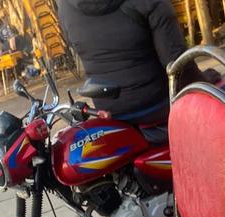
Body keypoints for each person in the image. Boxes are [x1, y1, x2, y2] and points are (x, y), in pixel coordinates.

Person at [57, 0, 202, 125]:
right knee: (223, 90)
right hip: (158, 105)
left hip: (107, 112)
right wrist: (205, 85)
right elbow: (177, 64)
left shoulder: (64, 6)